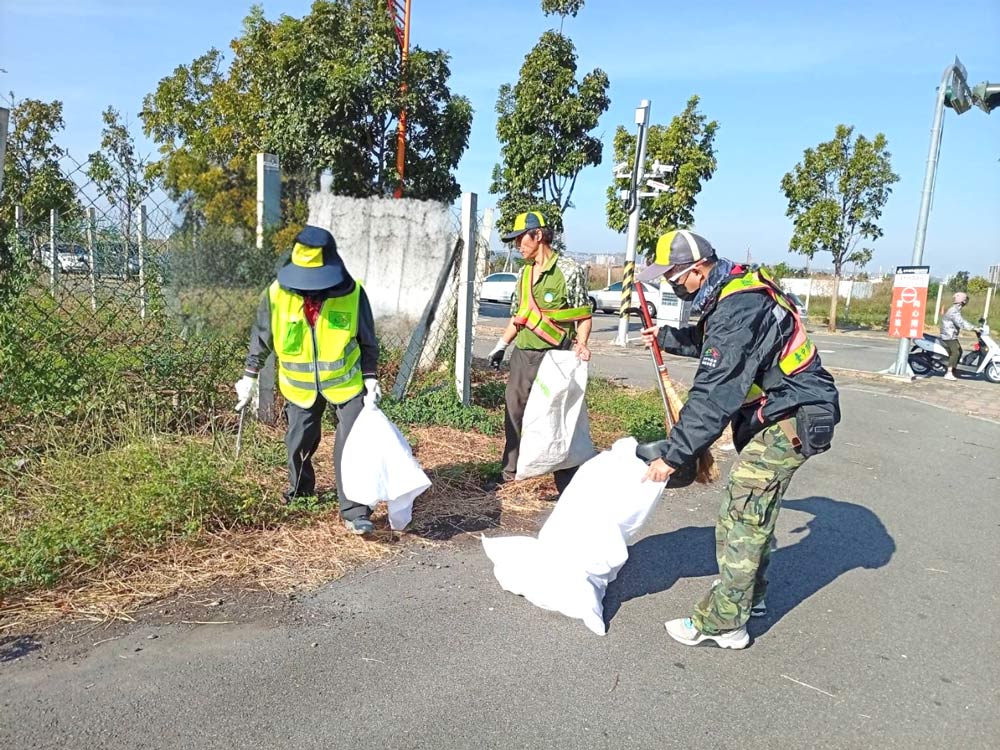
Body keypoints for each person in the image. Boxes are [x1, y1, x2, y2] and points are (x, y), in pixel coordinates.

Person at [637, 230, 840, 649]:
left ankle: (724, 622)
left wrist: (672, 457)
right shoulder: (732, 287)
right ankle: (752, 597)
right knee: (753, 510)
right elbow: (718, 345)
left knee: (741, 516)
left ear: (695, 270)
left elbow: (714, 395)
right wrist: (666, 338)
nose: (670, 286)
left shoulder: (737, 306)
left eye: (673, 278)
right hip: (782, 409)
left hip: (793, 416)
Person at [234, 225, 381, 535]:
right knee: (298, 440)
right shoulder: (275, 295)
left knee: (355, 442)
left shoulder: (353, 293)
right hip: (298, 388)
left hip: (346, 383)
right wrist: (248, 376)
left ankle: (356, 511)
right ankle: (301, 492)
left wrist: (370, 377)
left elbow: (368, 340)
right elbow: (261, 338)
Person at [487, 211, 593, 495]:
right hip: (524, 353)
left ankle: (566, 477)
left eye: (521, 238)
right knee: (515, 409)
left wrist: (582, 343)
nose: (517, 245)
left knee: (556, 413)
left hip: (556, 355)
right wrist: (501, 345)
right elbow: (518, 316)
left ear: (538, 235)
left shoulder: (569, 271)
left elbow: (583, 314)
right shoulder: (523, 273)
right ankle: (511, 470)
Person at [939, 292, 977, 381]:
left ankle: (953, 369)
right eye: (965, 300)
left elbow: (962, 320)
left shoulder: (956, 309)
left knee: (960, 351)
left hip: (951, 335)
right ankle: (948, 373)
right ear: (962, 301)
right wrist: (974, 328)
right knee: (955, 352)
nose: (966, 302)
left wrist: (974, 327)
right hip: (948, 335)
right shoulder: (954, 311)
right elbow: (960, 322)